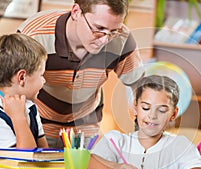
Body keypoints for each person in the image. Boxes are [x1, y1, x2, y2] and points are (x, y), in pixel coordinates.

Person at [17, 0, 144, 148]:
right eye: (98, 28)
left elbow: (141, 87)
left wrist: (142, 131)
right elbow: (10, 85)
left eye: (113, 31)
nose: (105, 40)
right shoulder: (34, 34)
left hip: (85, 127)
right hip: (38, 124)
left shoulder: (122, 39)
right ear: (76, 12)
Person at [88, 75, 201, 169]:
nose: (152, 116)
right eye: (146, 108)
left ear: (173, 114)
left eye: (162, 110)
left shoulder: (179, 145)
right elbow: (88, 162)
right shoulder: (117, 141)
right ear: (135, 107)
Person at [0, 33, 48, 149]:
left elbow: (45, 154)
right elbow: (25, 159)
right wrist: (18, 118)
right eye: (41, 75)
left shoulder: (31, 107)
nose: (44, 81)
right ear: (22, 77)